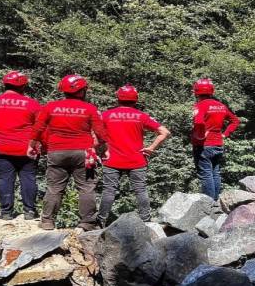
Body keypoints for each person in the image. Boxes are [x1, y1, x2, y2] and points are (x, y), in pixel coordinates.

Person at [27, 74, 109, 231]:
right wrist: (104, 150)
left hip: (57, 151)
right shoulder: (90, 108)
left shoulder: (50, 107)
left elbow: (38, 129)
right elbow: (100, 133)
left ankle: (47, 221)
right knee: (87, 187)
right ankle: (87, 223)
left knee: (54, 188)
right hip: (85, 153)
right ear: (81, 91)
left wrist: (32, 145)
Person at [97, 84, 171, 227]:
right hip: (136, 160)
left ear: (117, 98)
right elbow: (165, 132)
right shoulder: (141, 116)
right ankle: (146, 221)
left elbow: (95, 134)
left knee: (109, 191)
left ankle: (100, 222)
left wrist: (102, 149)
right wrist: (150, 148)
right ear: (135, 99)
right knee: (140, 190)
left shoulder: (106, 115)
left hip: (112, 159)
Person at [0, 71, 42, 220]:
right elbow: (41, 128)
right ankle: (29, 211)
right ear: (24, 86)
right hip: (27, 149)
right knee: (29, 178)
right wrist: (42, 145)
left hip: (2, 148)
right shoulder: (33, 104)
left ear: (4, 84)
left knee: (5, 178)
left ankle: (6, 212)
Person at [191, 78, 240, 201]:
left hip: (204, 145)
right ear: (211, 91)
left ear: (196, 92)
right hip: (218, 143)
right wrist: (225, 134)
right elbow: (235, 121)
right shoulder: (221, 105)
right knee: (215, 173)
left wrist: (201, 135)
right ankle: (216, 201)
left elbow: (199, 122)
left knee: (206, 174)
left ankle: (209, 204)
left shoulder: (200, 105)